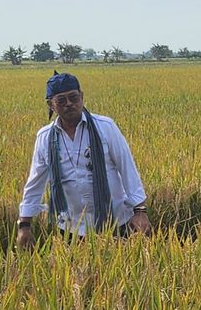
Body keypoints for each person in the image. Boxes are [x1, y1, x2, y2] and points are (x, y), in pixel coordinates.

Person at [17, 72, 151, 248]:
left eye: (73, 97)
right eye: (61, 100)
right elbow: (35, 182)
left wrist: (139, 211)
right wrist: (24, 225)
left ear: (81, 96)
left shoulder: (106, 127)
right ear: (51, 104)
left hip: (116, 222)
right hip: (71, 228)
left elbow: (127, 169)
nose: (69, 104)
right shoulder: (45, 138)